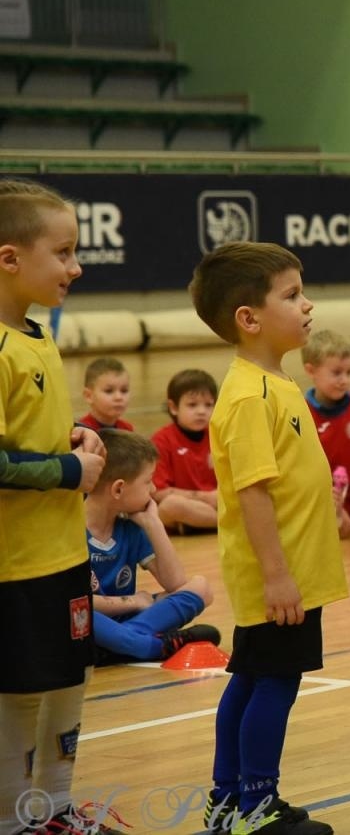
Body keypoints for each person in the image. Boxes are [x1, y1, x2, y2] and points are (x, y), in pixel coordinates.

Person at [189, 241, 348, 835]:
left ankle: (228, 802)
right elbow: (252, 493)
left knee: (252, 677)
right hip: (279, 576)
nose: (308, 305)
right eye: (292, 295)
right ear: (249, 318)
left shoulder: (274, 382)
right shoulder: (249, 395)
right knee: (274, 682)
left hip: (291, 568)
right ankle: (256, 805)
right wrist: (278, 575)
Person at [0, 179, 115, 835]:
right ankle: (12, 819)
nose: (76, 266)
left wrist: (72, 436)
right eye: (64, 252)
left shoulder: (38, 334)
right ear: (10, 258)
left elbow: (28, 434)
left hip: (63, 554)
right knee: (20, 692)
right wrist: (71, 470)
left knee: (71, 679)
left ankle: (55, 812)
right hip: (16, 565)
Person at [85, 429, 220, 665]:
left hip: (118, 622)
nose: (154, 489)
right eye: (148, 481)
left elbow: (176, 584)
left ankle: (117, 645)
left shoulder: (131, 526)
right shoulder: (70, 531)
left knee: (201, 587)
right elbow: (76, 602)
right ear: (118, 489)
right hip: (87, 620)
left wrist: (154, 524)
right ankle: (150, 647)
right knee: (70, 612)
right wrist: (134, 601)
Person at [301, 328, 350, 522]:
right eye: (337, 373)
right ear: (311, 371)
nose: (345, 380)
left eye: (349, 372)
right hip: (321, 499)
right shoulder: (302, 411)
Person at [151, 368, 220, 533]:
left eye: (208, 405)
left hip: (218, 504)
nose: (201, 411)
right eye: (192, 405)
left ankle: (198, 525)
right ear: (173, 407)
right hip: (186, 506)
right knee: (170, 506)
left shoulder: (219, 436)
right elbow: (158, 492)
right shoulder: (161, 440)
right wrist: (206, 497)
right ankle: (227, 523)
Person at [79, 356, 134, 433]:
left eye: (124, 391)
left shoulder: (127, 429)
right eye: (109, 391)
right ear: (89, 396)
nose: (119, 397)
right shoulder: (83, 431)